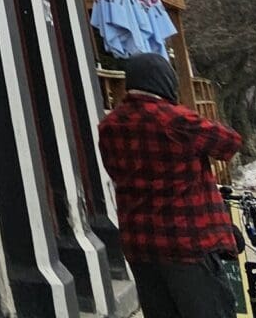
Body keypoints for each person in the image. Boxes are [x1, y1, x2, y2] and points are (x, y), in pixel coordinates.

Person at [98, 50, 246, 317]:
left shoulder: (109, 125)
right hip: (186, 241)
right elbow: (229, 142)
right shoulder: (175, 120)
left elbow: (113, 170)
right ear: (165, 81)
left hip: (140, 242)